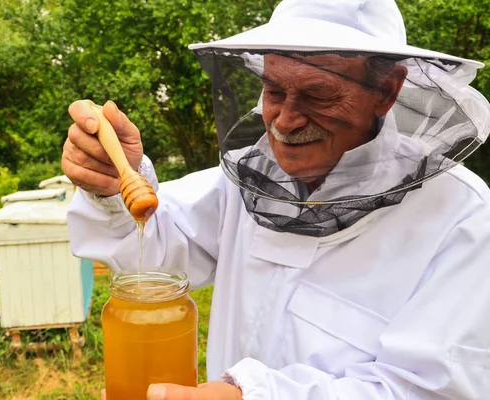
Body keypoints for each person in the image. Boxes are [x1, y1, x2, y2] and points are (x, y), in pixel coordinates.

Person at [63, 0, 490, 398]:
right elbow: (155, 259)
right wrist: (112, 183)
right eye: (273, 91)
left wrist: (253, 393)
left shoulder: (462, 220)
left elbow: (430, 389)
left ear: (386, 92)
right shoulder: (249, 179)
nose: (285, 120)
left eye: (318, 94)